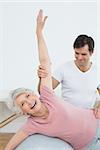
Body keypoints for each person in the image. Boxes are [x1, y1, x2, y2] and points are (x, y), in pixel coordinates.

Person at [5, 10, 100, 150]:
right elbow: (10, 145)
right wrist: (42, 76)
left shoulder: (47, 97)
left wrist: (38, 32)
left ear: (91, 53)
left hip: (95, 119)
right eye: (23, 104)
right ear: (22, 112)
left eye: (27, 96)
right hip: (87, 145)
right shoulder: (32, 124)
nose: (28, 101)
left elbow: (45, 61)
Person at [38, 31, 100, 117]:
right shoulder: (64, 68)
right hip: (67, 116)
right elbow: (43, 91)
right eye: (76, 53)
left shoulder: (97, 71)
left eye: (83, 54)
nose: (79, 57)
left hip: (87, 116)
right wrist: (42, 77)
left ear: (91, 53)